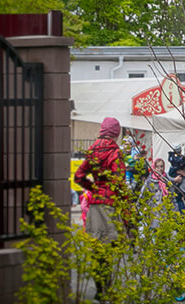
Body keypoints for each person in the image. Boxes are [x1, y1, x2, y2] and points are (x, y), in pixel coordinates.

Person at [74, 117, 125, 299]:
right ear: (116, 133)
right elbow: (119, 183)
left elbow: (78, 177)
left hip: (95, 205)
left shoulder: (92, 149)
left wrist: (94, 188)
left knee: (97, 248)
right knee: (110, 247)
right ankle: (107, 290)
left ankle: (99, 291)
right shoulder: (115, 152)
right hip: (110, 204)